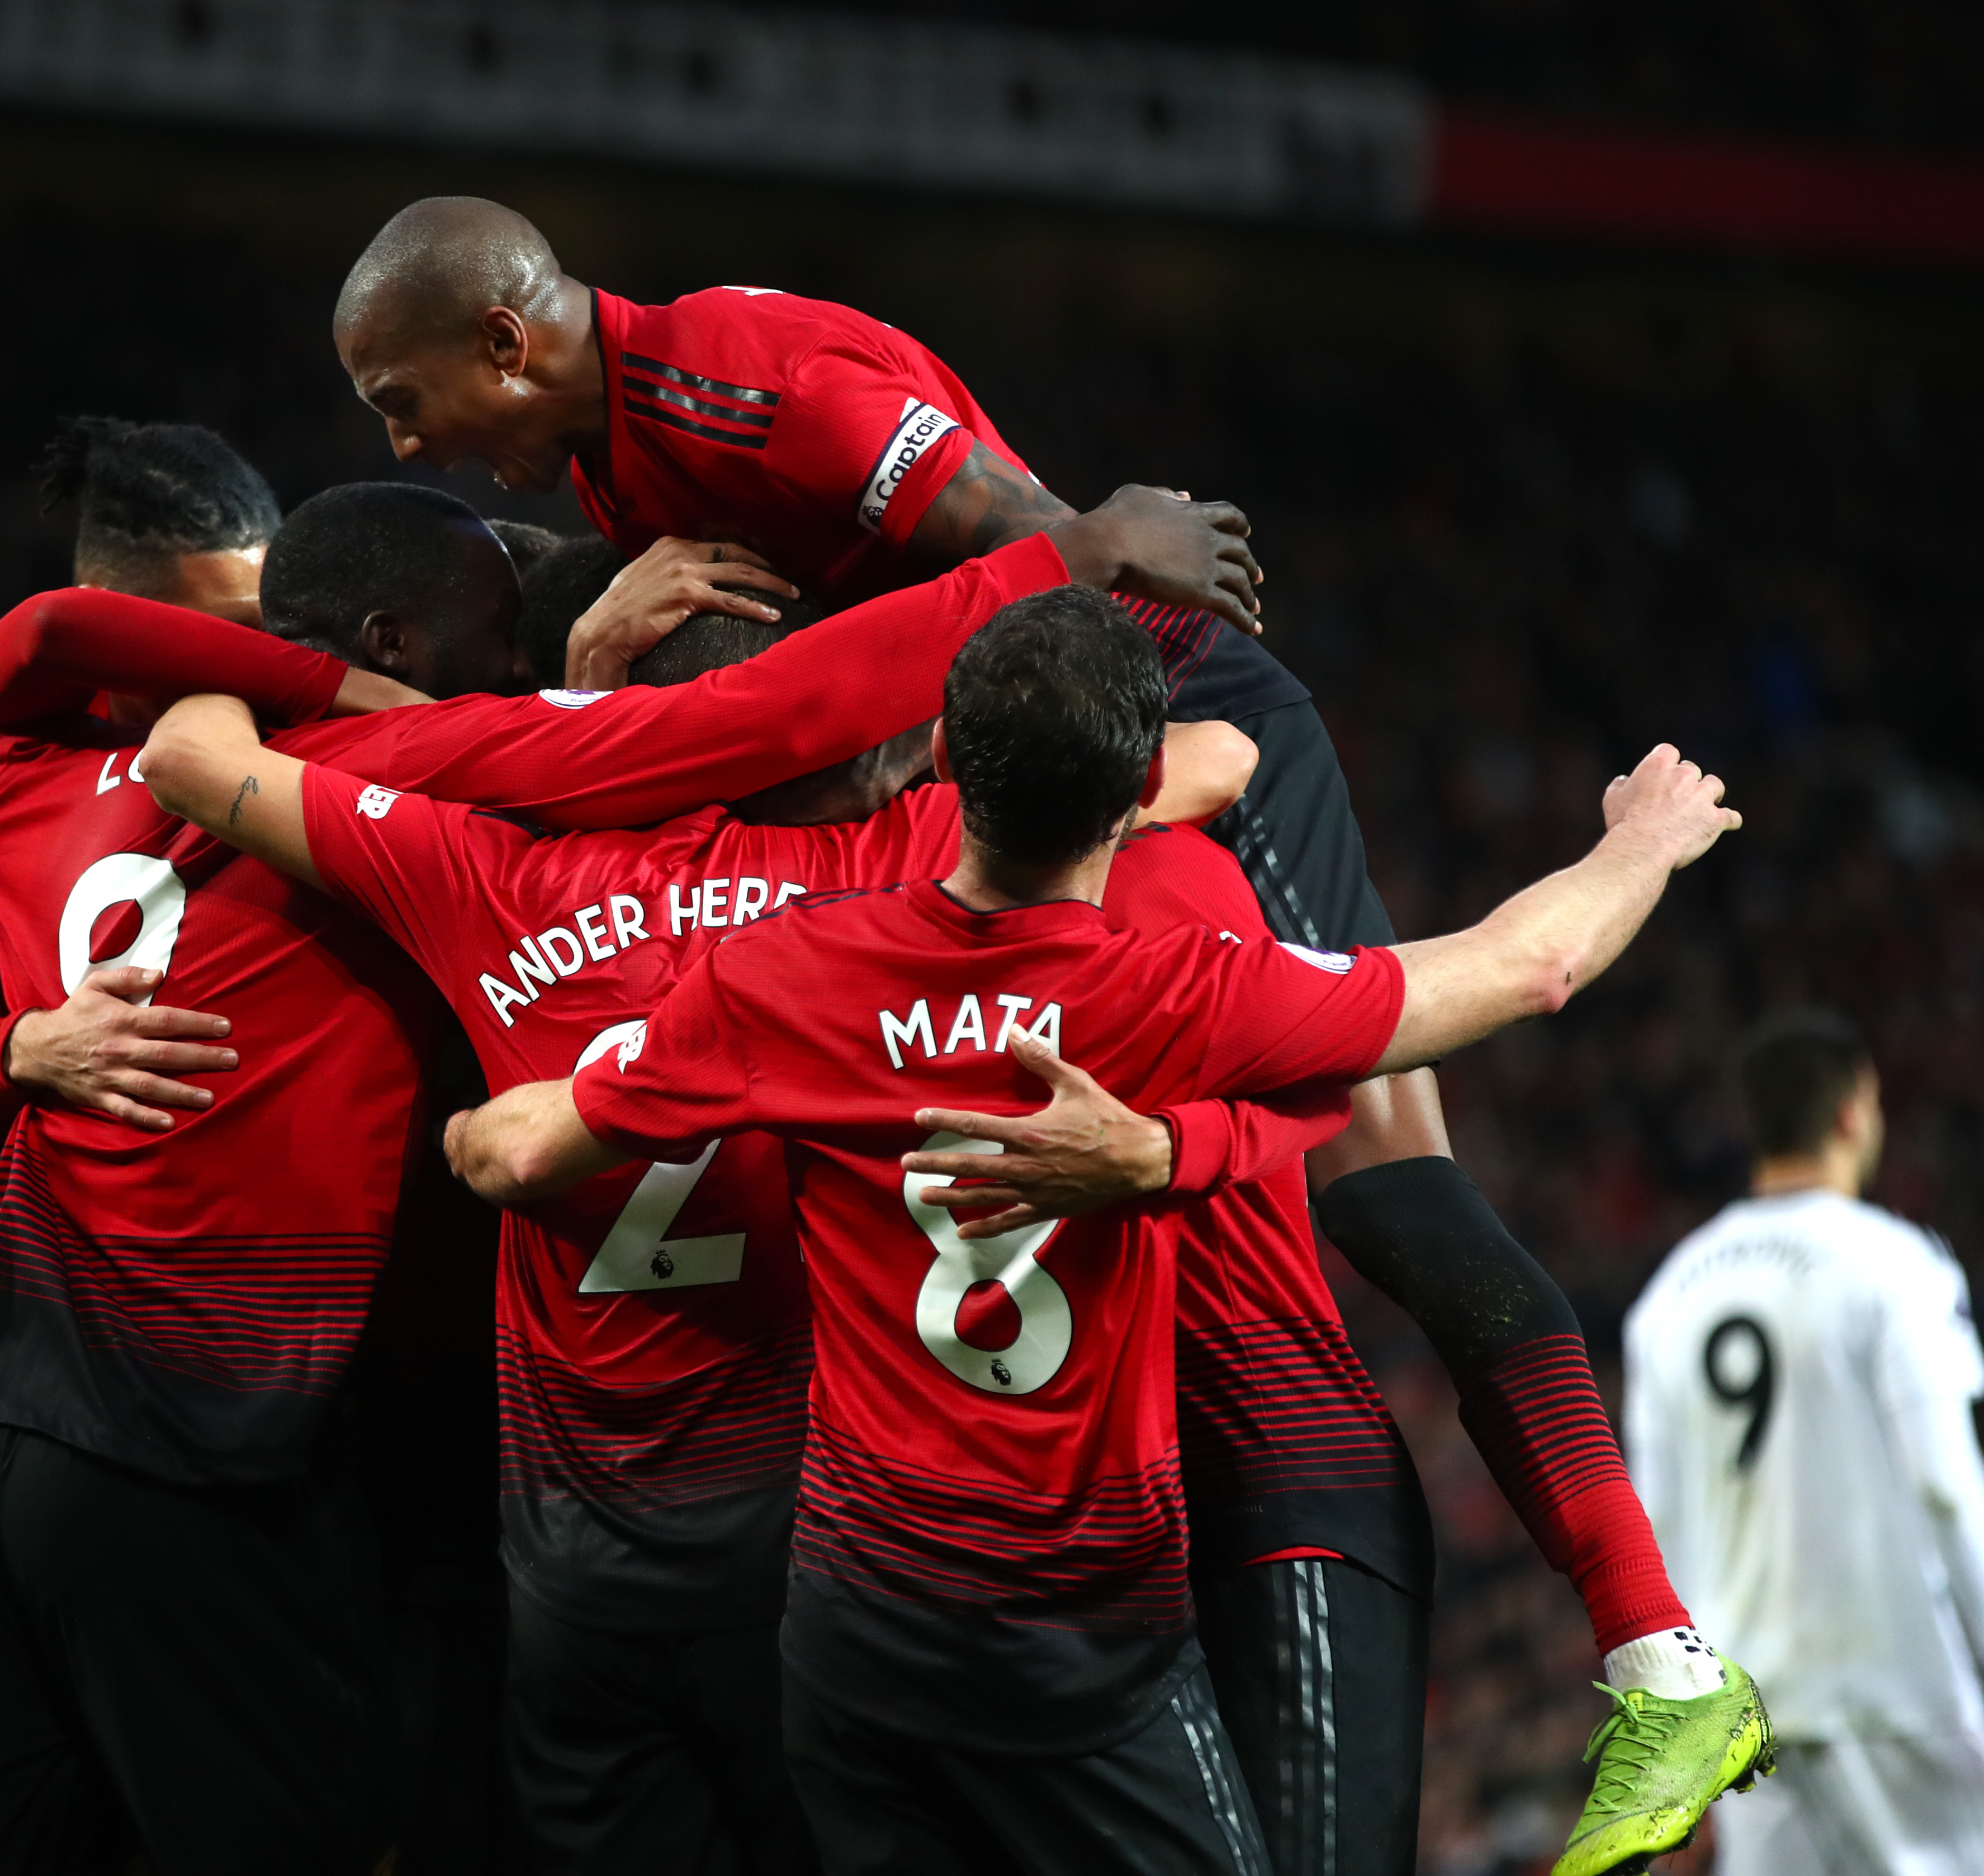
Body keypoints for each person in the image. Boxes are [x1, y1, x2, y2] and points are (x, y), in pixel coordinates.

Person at [333, 205, 1733, 1876]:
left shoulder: (740, 386)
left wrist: (1005, 731)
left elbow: (1087, 573)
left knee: (1390, 1183)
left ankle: (1655, 1644)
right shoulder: (613, 468)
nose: (404, 442)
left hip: (1160, 734)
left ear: (503, 341)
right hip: (1014, 789)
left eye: (400, 401)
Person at [0, 481, 1244, 1873]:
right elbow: (828, 720)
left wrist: (4, 1046)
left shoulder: (111, 797)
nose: (510, 678)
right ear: (391, 653)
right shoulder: (790, 872)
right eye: (497, 649)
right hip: (266, 1475)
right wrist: (1066, 550)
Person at [131, 599, 1266, 1875]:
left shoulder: (481, 870)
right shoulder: (869, 876)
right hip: (797, 1573)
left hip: (575, 1575)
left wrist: (526, 724)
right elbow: (1217, 756)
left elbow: (185, 750)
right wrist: (895, 757)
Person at [0, 416, 304, 1727]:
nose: (259, 662)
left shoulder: (252, 775)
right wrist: (19, 1049)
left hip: (123, 1387)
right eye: (218, 630)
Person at [1625, 1012, 1984, 1876]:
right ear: (1851, 1113)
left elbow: (1655, 1540)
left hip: (1748, 1724)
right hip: (1894, 1697)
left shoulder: (1666, 1298)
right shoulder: (1895, 1265)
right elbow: (1945, 1484)